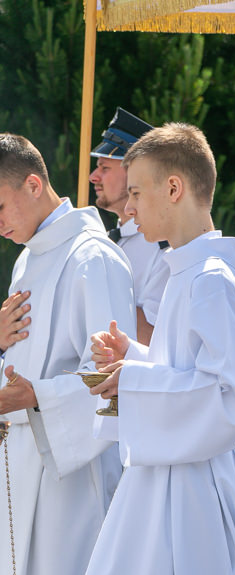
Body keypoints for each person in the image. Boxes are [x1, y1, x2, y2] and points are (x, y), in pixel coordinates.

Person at [84, 123, 235, 574]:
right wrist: (132, 358)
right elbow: (187, 371)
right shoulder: (187, 272)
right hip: (168, 474)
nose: (128, 209)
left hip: (195, 492)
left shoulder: (210, 279)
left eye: (135, 193)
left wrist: (131, 383)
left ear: (174, 188)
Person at [0, 133, 134, 575]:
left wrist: (38, 396)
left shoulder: (94, 258)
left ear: (33, 185)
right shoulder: (26, 261)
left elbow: (116, 379)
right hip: (18, 457)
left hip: (72, 476)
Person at [89, 107, 170, 345]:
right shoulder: (106, 239)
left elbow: (152, 337)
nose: (93, 176)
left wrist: (94, 294)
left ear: (135, 174)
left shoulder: (162, 248)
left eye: (105, 168)